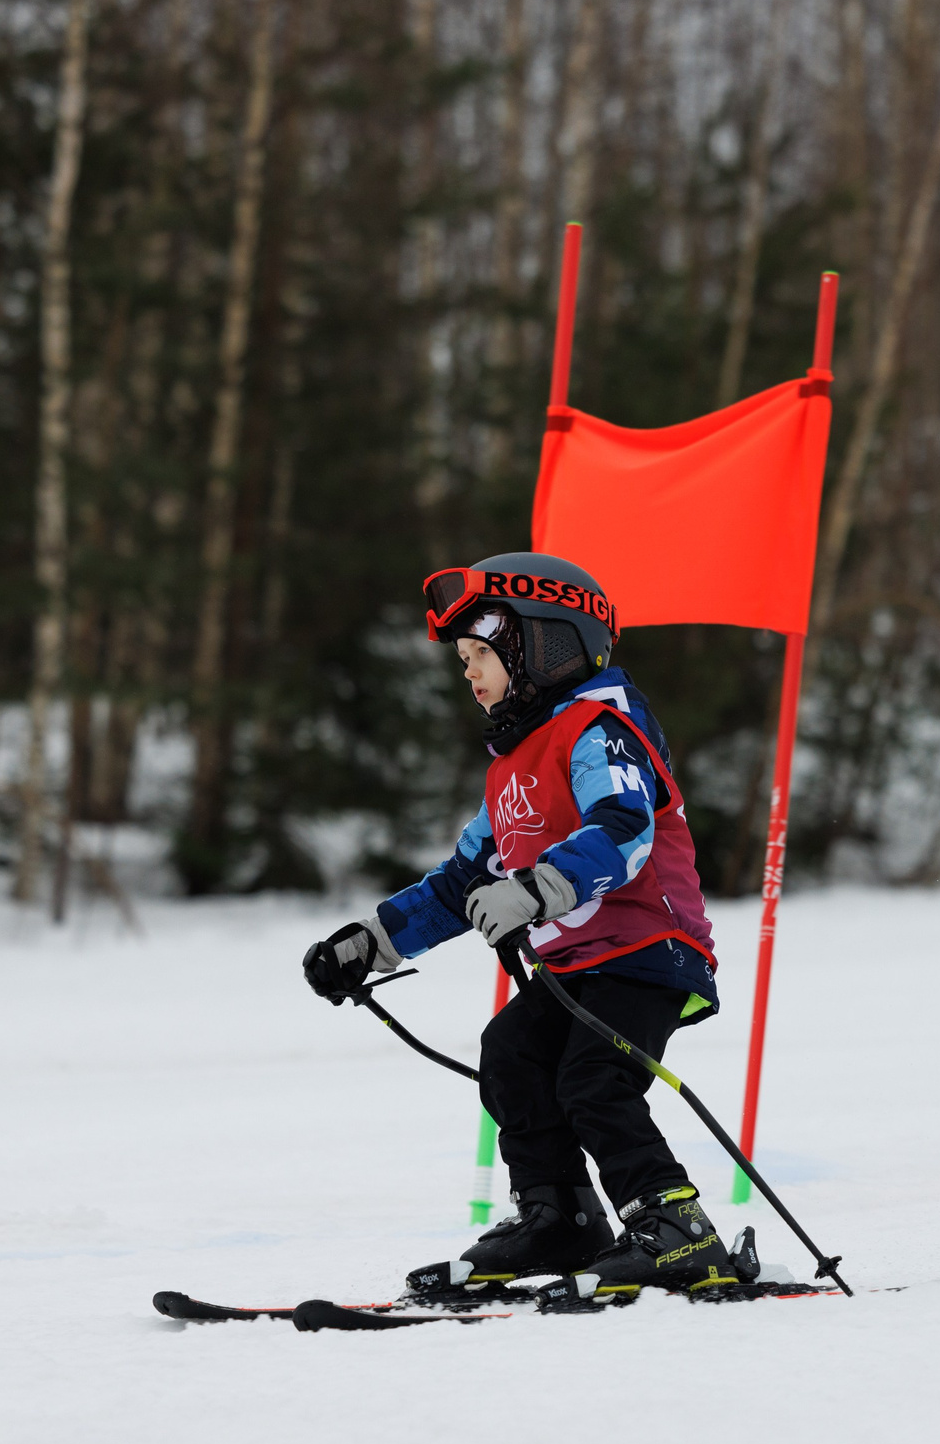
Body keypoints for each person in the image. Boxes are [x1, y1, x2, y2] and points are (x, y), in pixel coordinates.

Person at [302, 552, 738, 1297]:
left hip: (648, 950)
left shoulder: (602, 728)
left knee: (593, 1078)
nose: (468, 673)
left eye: (481, 654)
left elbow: (625, 827)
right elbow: (460, 882)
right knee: (511, 1055)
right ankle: (560, 1216)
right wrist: (371, 943)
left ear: (544, 645)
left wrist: (538, 890)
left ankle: (676, 1228)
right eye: (463, 660)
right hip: (577, 965)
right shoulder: (513, 763)